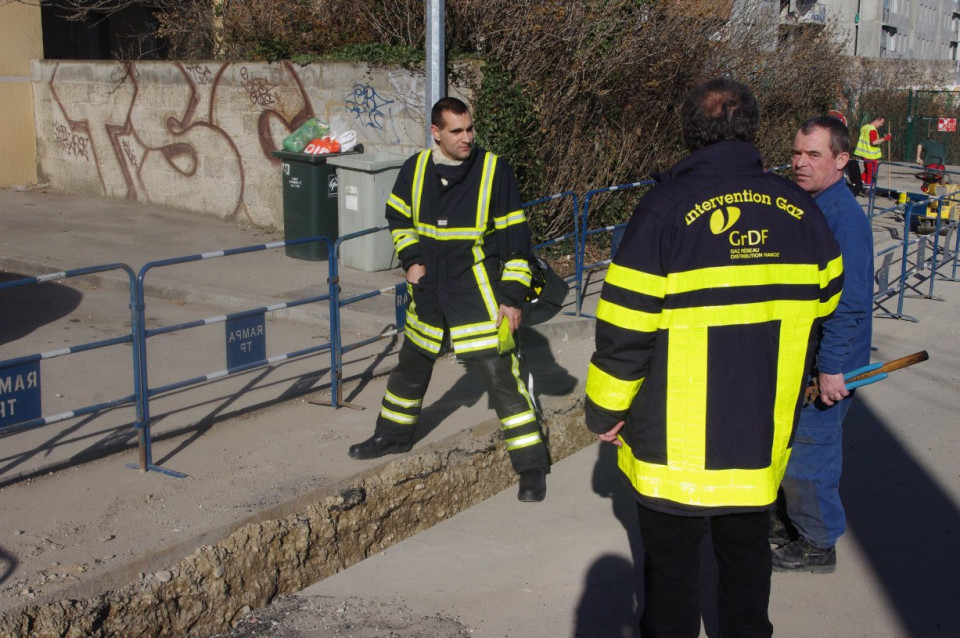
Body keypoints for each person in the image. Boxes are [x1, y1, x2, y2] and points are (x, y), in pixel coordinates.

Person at [584, 78, 843, 637]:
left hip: (671, 445)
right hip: (757, 434)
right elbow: (828, 298)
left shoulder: (662, 210)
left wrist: (604, 410)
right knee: (747, 569)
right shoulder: (801, 212)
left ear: (689, 133)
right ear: (752, 130)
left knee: (672, 580)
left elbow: (624, 327)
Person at [347, 97, 551, 503]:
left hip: (477, 292)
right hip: (429, 290)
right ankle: (392, 436)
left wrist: (512, 298)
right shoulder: (415, 168)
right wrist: (412, 262)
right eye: (456, 131)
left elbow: (516, 240)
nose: (467, 138)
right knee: (410, 368)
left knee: (501, 379)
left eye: (470, 129)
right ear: (435, 133)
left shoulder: (495, 170)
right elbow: (398, 217)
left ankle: (531, 465)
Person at [773, 116, 873, 573]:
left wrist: (831, 367)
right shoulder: (809, 204)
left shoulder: (843, 217)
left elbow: (849, 303)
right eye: (796, 153)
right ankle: (787, 524)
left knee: (811, 457)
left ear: (841, 159)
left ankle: (817, 544)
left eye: (813, 155)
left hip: (827, 365)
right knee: (790, 447)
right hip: (803, 358)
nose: (800, 163)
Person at [854, 115, 892, 186]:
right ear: (878, 120)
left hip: (863, 153)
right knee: (872, 172)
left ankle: (858, 184)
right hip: (870, 155)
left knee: (867, 171)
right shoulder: (872, 129)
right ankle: (868, 188)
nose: (881, 125)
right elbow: (874, 142)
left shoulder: (865, 127)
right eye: (881, 123)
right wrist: (885, 138)